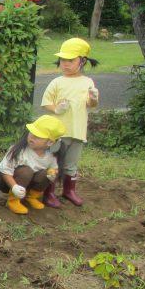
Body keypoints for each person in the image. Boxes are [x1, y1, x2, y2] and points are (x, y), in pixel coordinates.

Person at [41, 38, 99, 207]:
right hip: (58, 132)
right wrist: (56, 109)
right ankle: (49, 192)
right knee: (53, 162)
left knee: (71, 164)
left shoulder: (87, 82)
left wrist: (94, 98)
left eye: (70, 60)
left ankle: (69, 191)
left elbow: (91, 104)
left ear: (83, 61)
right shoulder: (57, 82)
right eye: (63, 60)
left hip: (78, 130)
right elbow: (46, 103)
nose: (65, 64)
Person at [0, 116, 65, 215]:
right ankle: (13, 200)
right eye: (31, 133)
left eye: (38, 136)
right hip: (6, 182)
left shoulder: (51, 156)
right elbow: (5, 171)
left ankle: (31, 197)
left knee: (47, 174)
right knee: (26, 171)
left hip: (26, 185)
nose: (32, 137)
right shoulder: (19, 150)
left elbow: (54, 169)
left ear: (50, 142)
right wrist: (14, 187)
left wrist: (53, 173)